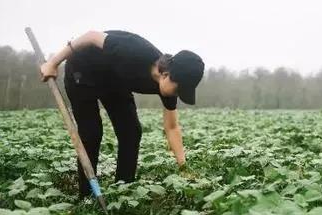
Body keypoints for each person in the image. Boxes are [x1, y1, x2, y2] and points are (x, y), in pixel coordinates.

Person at [40, 30, 204, 197]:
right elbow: (91, 36)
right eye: (178, 89)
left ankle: (123, 190)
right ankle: (87, 196)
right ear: (166, 74)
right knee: (91, 133)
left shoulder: (167, 87)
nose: (177, 95)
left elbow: (172, 127)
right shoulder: (132, 52)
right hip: (83, 69)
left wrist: (183, 166)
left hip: (114, 81)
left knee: (131, 132)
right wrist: (53, 63)